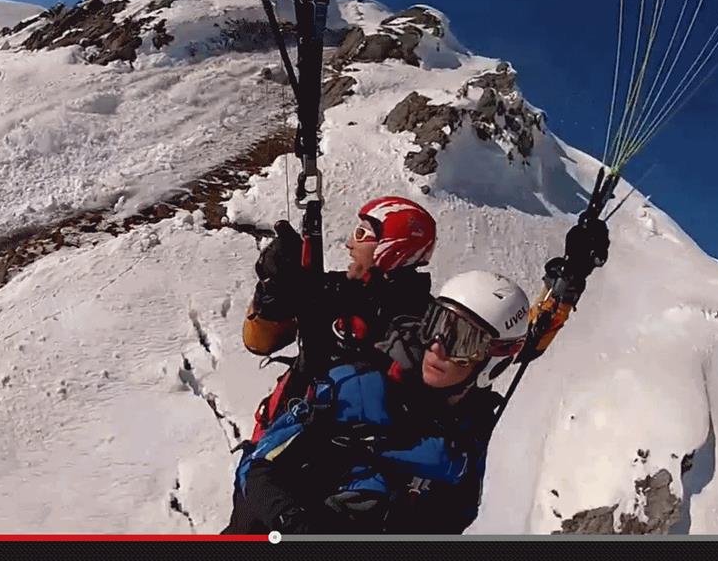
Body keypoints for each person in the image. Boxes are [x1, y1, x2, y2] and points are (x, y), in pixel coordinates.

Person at [223, 216, 610, 534]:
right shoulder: (356, 389)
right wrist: (295, 526)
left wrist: (568, 282)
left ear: (491, 359)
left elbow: (526, 340)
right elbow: (258, 468)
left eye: (462, 339)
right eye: (437, 324)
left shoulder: (467, 437)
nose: (439, 345)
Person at [241, 196, 437, 444]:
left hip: (326, 451)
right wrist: (273, 289)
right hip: (284, 429)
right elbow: (259, 342)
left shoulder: (416, 325)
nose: (349, 244)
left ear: (391, 247)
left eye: (361, 233)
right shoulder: (343, 290)